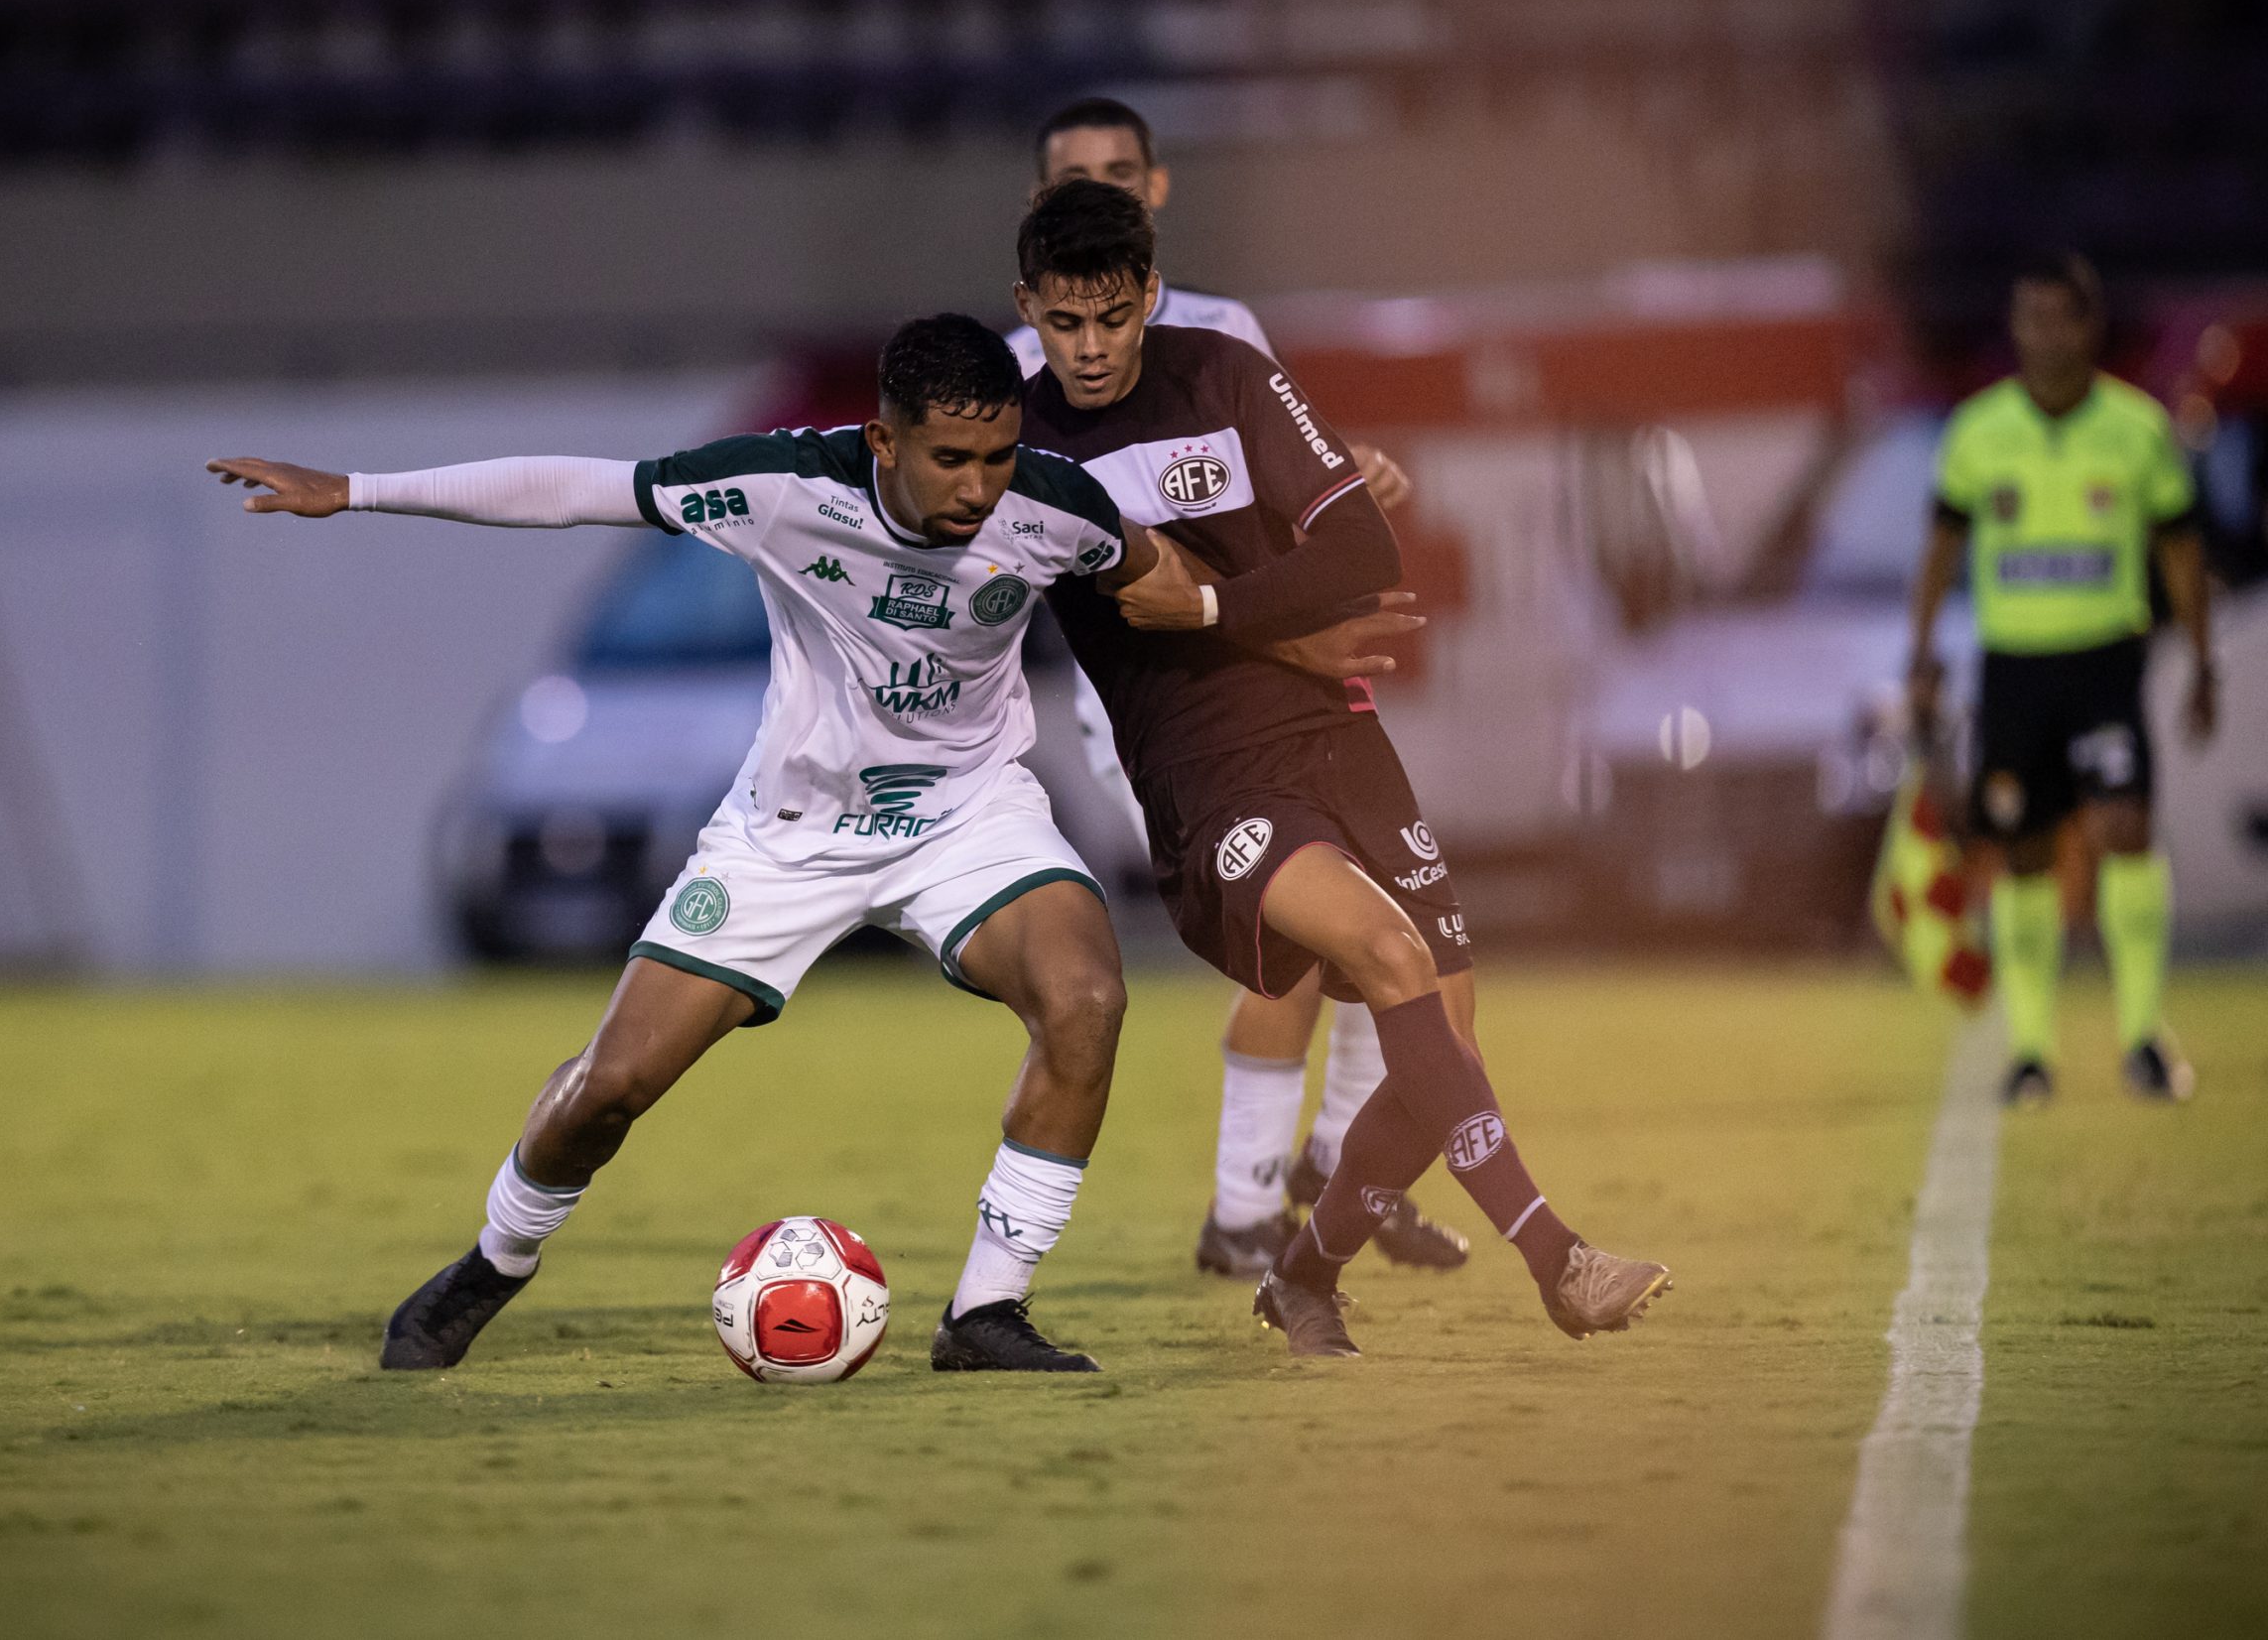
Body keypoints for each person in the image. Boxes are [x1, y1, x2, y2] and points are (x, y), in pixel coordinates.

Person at [208, 316, 1173, 1373]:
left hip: (967, 814)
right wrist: (355, 488)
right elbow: (576, 490)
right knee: (611, 1087)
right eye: (951, 459)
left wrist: (1289, 605)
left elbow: (1165, 580)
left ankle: (986, 1311)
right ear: (884, 442)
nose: (979, 488)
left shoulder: (1054, 506)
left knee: (1085, 1000)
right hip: (786, 837)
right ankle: (493, 1261)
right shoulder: (783, 487)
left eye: (995, 458)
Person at [1012, 180, 1671, 1356]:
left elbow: (1359, 547)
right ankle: (1554, 1255)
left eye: (1113, 317)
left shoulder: (1224, 370)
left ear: (1149, 296)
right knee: (1387, 954)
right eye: (1067, 323)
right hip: (1202, 768)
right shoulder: (1028, 450)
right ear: (1029, 311)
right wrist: (1272, 616)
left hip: (1335, 724)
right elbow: (1124, 626)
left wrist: (1223, 605)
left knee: (1444, 1040)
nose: (1093, 346)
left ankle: (1303, 1280)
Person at [1010, 95, 1467, 1283]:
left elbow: (1278, 502)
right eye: (1072, 178)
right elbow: (1117, 580)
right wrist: (1277, 629)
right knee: (1312, 933)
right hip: (1166, 700)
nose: (1096, 190)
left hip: (1281, 667)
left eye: (1118, 172)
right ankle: (1255, 1202)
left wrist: (1332, 493)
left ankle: (1314, 1174)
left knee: (1381, 935)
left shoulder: (1220, 337)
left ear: (1156, 192)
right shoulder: (1018, 378)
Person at [1908, 251, 2217, 1106]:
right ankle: (2032, 1051)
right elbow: (1939, 550)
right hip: (2013, 670)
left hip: (2103, 664)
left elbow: (2181, 548)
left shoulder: (2138, 428)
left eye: (2060, 317)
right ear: (2013, 327)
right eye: (2029, 318)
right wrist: (1922, 654)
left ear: (2089, 325)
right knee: (2024, 852)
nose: (2044, 335)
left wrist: (2201, 660)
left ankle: (2143, 1036)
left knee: (2124, 826)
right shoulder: (1978, 431)